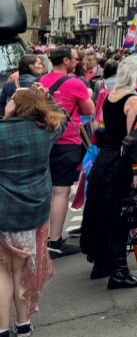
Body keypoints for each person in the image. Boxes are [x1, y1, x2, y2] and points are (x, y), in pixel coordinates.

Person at [80, 55, 137, 289]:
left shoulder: (111, 96)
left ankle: (102, 263)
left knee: (103, 212)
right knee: (122, 215)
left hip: (105, 159)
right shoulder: (134, 100)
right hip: (122, 162)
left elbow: (99, 128)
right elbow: (133, 141)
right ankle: (119, 271)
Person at [0, 87, 63, 337]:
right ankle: (24, 324)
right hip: (33, 211)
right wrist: (46, 97)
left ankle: (2, 328)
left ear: (15, 105)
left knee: (2, 272)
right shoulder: (47, 130)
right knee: (23, 271)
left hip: (4, 210)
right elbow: (62, 115)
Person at [39, 45, 95, 258]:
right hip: (66, 140)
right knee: (60, 191)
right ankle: (55, 241)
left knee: (45, 189)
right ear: (65, 61)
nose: (77, 61)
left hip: (44, 140)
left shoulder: (42, 81)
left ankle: (40, 238)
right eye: (74, 58)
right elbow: (89, 110)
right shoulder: (75, 83)